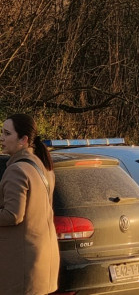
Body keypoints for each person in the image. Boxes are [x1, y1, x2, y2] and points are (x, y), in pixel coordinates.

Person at [0, 114, 60, 295]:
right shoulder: (43, 167)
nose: (2, 138)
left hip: (21, 268)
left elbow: (13, 215)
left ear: (23, 140)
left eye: (7, 133)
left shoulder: (17, 170)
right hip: (42, 262)